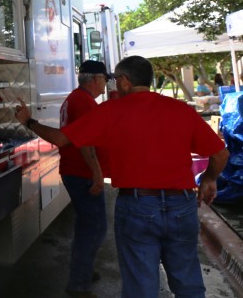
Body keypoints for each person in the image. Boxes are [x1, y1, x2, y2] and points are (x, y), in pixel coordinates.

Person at [14, 56, 229, 298]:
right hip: (182, 206)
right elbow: (220, 154)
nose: (113, 85)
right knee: (188, 282)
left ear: (125, 81)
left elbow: (61, 139)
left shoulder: (110, 111)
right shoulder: (180, 109)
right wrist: (209, 180)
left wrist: (28, 121)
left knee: (141, 285)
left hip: (137, 206)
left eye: (114, 79)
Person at [59, 60, 112, 298]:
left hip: (76, 171)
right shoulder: (84, 102)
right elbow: (85, 142)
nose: (106, 83)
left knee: (86, 225)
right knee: (95, 227)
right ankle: (79, 283)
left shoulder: (77, 98)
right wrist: (97, 173)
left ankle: (84, 271)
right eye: (105, 78)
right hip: (81, 172)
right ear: (95, 79)